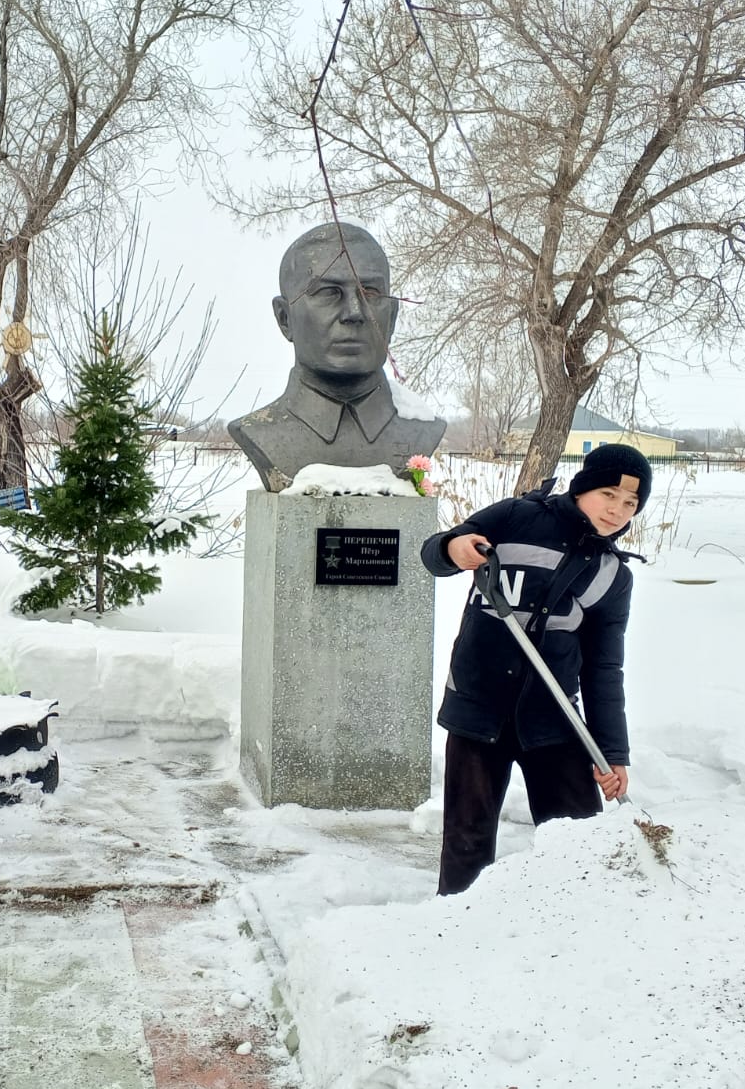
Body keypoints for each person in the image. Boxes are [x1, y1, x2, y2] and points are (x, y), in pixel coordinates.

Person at [420, 443, 650, 894]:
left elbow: (604, 669)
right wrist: (455, 547)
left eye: (630, 504)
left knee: (580, 841)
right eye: (609, 494)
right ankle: (455, 933)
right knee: (467, 839)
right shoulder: (516, 517)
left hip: (554, 720)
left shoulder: (611, 576)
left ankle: (570, 930)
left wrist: (613, 752)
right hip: (478, 709)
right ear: (583, 487)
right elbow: (434, 554)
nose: (617, 511)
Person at [228, 222, 446, 492]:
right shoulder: (260, 433)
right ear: (285, 319)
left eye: (370, 293)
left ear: (391, 317)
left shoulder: (421, 431)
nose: (354, 312)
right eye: (328, 293)